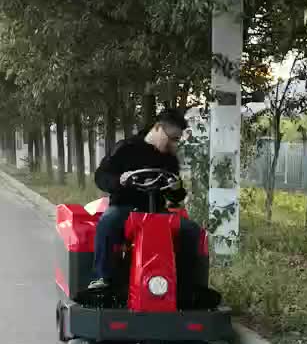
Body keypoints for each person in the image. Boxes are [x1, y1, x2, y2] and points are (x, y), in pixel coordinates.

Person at [90, 109, 220, 309]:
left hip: (157, 211)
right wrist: (119, 181)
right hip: (125, 207)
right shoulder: (126, 148)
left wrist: (176, 189)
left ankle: (186, 286)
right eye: (171, 139)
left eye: (177, 140)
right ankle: (103, 278)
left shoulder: (169, 160)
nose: (173, 145)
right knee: (107, 222)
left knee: (191, 231)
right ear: (158, 128)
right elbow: (101, 177)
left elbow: (176, 198)